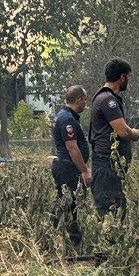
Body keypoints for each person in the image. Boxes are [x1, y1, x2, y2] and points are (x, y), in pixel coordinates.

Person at [89, 59, 139, 218]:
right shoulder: (108, 100)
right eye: (127, 77)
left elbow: (117, 128)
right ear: (122, 77)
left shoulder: (105, 98)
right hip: (107, 167)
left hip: (109, 167)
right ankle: (108, 244)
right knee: (111, 214)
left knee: (117, 211)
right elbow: (123, 132)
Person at [51, 86, 92, 249]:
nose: (85, 104)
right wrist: (84, 170)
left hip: (67, 167)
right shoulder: (67, 119)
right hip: (66, 168)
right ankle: (74, 244)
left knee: (66, 203)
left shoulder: (66, 116)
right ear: (79, 100)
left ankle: (69, 241)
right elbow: (72, 148)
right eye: (85, 100)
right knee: (68, 203)